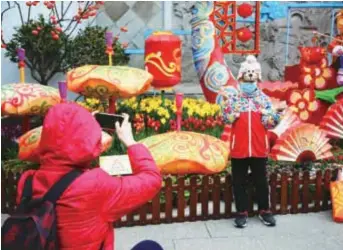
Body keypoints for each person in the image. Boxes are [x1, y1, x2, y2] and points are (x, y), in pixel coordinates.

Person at [15, 103, 162, 249]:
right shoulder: (94, 186)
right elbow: (152, 180)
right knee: (150, 247)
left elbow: (58, 155)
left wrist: (85, 126)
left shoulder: (28, 181)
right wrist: (130, 142)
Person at [220, 55, 283, 228]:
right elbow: (225, 118)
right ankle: (241, 212)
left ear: (257, 78)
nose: (249, 77)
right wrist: (228, 111)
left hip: (259, 147)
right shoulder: (234, 99)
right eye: (247, 75)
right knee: (238, 181)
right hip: (239, 148)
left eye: (253, 75)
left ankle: (264, 210)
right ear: (240, 77)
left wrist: (276, 116)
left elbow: (269, 124)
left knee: (261, 180)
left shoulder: (263, 99)